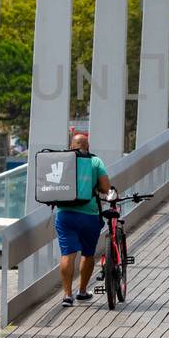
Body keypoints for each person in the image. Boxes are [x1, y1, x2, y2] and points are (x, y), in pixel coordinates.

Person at [54, 131, 111, 308]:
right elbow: (105, 187)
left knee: (67, 254)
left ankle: (67, 295)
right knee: (87, 253)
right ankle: (82, 291)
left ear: (71, 146)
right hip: (89, 215)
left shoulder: (63, 160)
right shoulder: (95, 161)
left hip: (65, 215)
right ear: (88, 147)